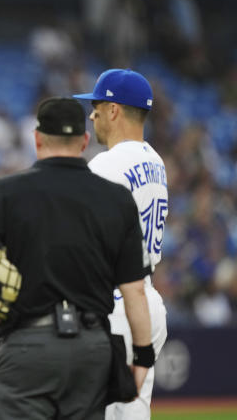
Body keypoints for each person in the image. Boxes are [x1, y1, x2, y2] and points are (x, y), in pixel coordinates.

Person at [0, 97, 155, 420]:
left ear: (37, 139)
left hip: (24, 349)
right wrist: (144, 356)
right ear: (84, 141)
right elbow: (135, 290)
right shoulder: (117, 198)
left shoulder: (5, 193)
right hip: (91, 350)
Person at [74, 68, 169, 420]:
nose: (92, 114)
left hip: (115, 305)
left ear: (114, 110)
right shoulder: (156, 162)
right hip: (146, 301)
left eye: (97, 106)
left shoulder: (106, 164)